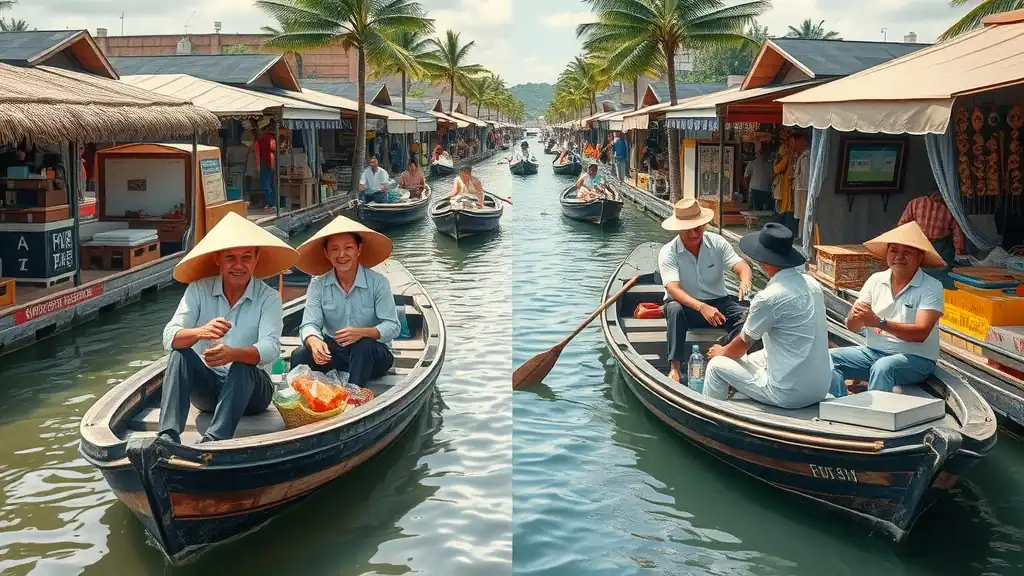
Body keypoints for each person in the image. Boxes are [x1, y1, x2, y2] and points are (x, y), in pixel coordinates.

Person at [156, 212, 298, 444]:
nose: (239, 265)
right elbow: (169, 335)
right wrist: (199, 332)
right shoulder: (198, 290)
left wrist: (232, 354)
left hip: (253, 393)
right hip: (209, 390)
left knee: (243, 366)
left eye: (246, 257)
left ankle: (214, 440)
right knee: (179, 354)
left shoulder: (268, 298)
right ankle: (167, 436)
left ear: (256, 259)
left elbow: (271, 348)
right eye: (230, 257)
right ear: (217, 259)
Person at [704, 223, 832, 408]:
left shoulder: (768, 298)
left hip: (788, 393)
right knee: (750, 358)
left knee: (717, 365)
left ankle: (711, 415)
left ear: (763, 262)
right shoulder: (812, 284)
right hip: (820, 387)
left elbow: (740, 345)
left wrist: (721, 352)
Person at [829, 222, 945, 398]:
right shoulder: (876, 280)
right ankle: (838, 405)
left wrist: (879, 323)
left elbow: (921, 333)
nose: (899, 256)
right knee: (828, 358)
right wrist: (855, 316)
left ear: (920, 257)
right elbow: (853, 327)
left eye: (906, 252)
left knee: (883, 367)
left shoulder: (931, 286)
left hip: (916, 358)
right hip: (873, 352)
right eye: (894, 251)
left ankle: (875, 420)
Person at [291, 216, 399, 386]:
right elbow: (309, 324)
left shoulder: (378, 282)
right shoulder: (318, 284)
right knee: (301, 353)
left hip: (374, 356)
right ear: (327, 253)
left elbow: (392, 326)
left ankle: (353, 397)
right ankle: (304, 403)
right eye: (334, 249)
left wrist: (363, 332)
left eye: (348, 247)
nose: (341, 255)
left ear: (359, 249)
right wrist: (314, 340)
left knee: (364, 346)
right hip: (336, 353)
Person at [658, 199, 754, 383]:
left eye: (699, 228)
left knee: (749, 315)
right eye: (689, 229)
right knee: (674, 309)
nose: (695, 234)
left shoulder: (717, 242)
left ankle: (724, 350)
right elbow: (673, 289)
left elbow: (742, 266)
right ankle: (675, 367)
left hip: (719, 302)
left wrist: (745, 281)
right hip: (686, 305)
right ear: (679, 228)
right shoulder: (668, 252)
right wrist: (702, 307)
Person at [896, 188, 966, 287]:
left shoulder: (949, 208)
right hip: (920, 243)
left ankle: (940, 294)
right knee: (918, 272)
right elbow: (902, 225)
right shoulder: (916, 203)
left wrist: (959, 249)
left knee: (941, 274)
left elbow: (956, 230)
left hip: (941, 246)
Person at [791, 134, 810, 241]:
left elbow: (805, 175)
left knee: (803, 213)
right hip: (799, 187)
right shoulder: (801, 155)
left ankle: (802, 236)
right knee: (799, 213)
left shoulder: (806, 156)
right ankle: (800, 234)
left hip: (803, 188)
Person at [744, 146, 775, 211]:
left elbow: (746, 177)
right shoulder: (768, 166)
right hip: (762, 190)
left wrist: (747, 189)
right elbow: (746, 177)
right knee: (765, 211)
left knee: (756, 210)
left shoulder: (769, 166)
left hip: (759, 190)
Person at [254, 122, 276, 209]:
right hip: (272, 162)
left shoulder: (260, 141)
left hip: (265, 162)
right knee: (271, 183)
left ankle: (271, 203)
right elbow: (274, 148)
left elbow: (257, 154)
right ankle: (273, 203)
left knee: (266, 184)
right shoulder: (272, 138)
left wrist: (258, 165)